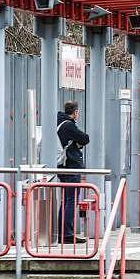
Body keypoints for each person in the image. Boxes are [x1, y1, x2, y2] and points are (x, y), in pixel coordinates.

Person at [57, 100, 90, 244]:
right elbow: (85, 138)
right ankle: (67, 234)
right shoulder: (69, 125)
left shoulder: (59, 123)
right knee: (71, 201)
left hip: (63, 167)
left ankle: (62, 232)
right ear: (75, 112)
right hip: (71, 167)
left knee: (65, 201)